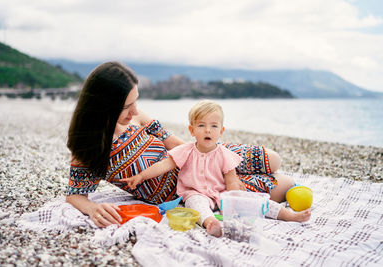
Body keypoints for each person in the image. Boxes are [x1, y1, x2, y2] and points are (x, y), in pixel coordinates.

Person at [65, 61, 309, 228]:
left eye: (136, 102)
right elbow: (75, 195)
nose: (136, 111)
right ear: (104, 106)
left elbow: (174, 142)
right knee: (282, 186)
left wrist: (210, 157)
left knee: (273, 159)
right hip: (189, 190)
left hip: (205, 154)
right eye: (127, 106)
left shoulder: (137, 118)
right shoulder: (88, 149)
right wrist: (91, 209)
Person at [121, 100, 311, 237]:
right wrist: (142, 176)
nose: (207, 130)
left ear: (221, 131)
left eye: (213, 126)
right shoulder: (185, 150)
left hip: (221, 193)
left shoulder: (225, 154)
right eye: (201, 125)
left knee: (257, 201)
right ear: (191, 130)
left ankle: (288, 215)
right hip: (195, 192)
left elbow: (231, 180)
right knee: (195, 204)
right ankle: (209, 222)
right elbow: (164, 165)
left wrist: (238, 197)